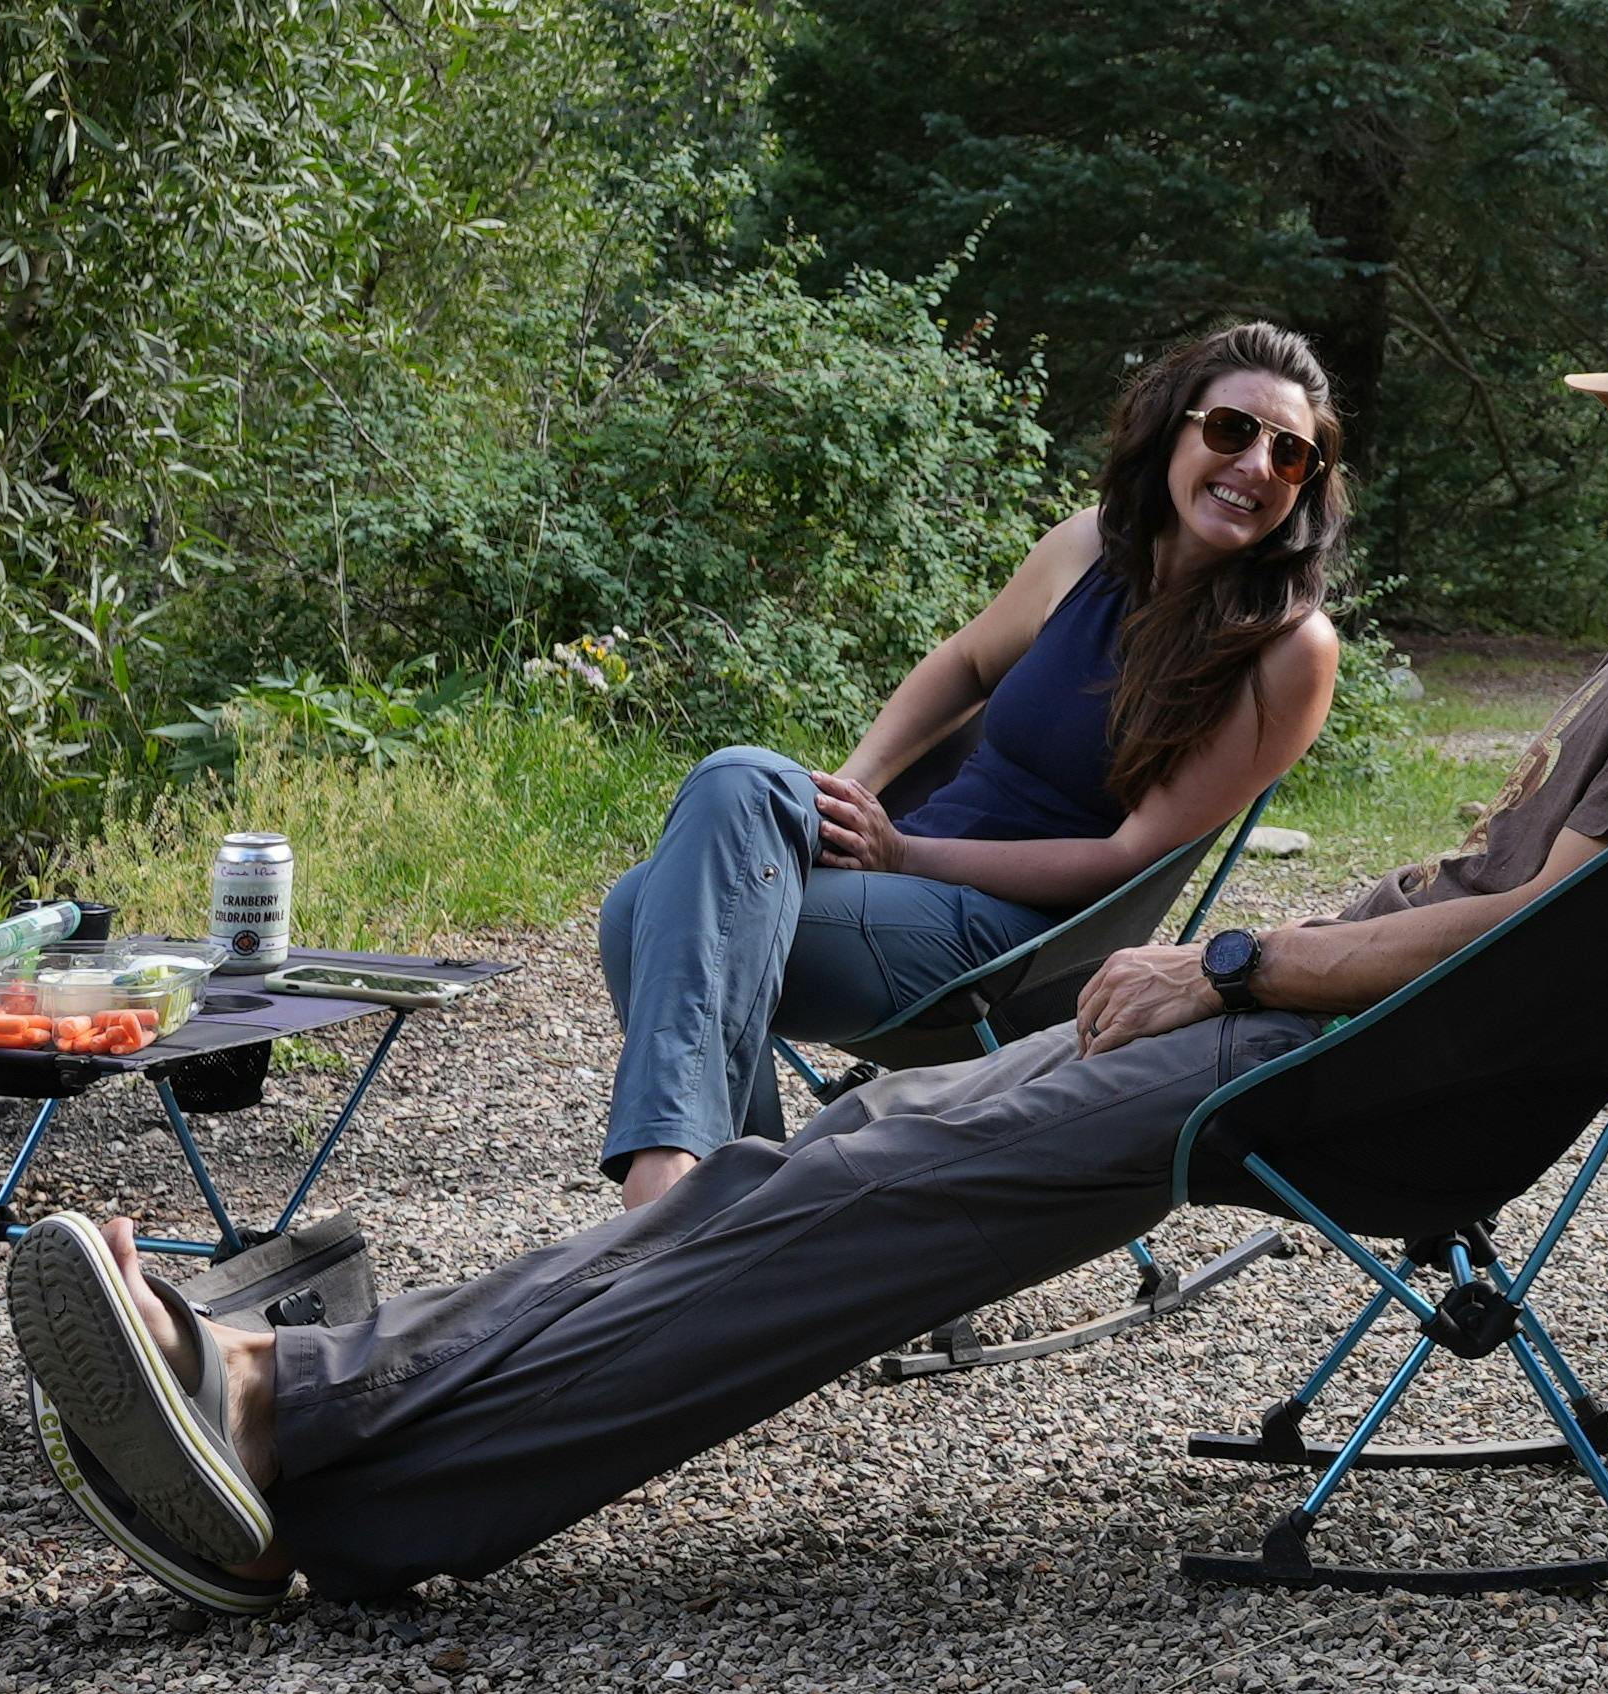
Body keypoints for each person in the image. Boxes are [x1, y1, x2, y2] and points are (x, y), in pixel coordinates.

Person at [2, 288, 1608, 1609]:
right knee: (807, 1159)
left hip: (1331, 1073)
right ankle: (320, 1445)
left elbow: (1537, 932)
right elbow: (1520, 903)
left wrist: (1233, 962)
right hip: (1336, 1047)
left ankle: (305, 1431)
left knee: (855, 1185)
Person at [578, 325, 1352, 1203]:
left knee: (645, 911)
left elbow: (1125, 857)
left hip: (1016, 945)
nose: (1255, 465)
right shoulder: (1089, 547)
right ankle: (723, 1213)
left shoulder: (1287, 650)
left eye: (1290, 456)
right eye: (1230, 431)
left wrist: (905, 854)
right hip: (902, 878)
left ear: (1307, 487)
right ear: (1174, 429)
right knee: (734, 784)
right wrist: (851, 795)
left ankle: (688, 1201)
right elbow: (965, 665)